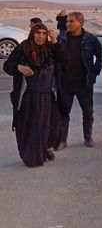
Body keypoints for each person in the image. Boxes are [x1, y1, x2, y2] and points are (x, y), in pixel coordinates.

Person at [3, 23, 64, 167]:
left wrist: (55, 41)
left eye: (44, 33)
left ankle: (44, 150)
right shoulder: (23, 48)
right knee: (30, 127)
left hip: (48, 95)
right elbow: (7, 66)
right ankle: (32, 156)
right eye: (38, 33)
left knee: (47, 126)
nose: (41, 36)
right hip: (28, 96)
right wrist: (19, 67)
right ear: (32, 33)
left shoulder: (50, 48)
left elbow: (63, 59)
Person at [55, 12, 102, 149]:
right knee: (63, 113)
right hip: (65, 82)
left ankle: (88, 138)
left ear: (80, 23)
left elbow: (100, 56)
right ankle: (62, 140)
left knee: (87, 112)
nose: (68, 24)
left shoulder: (91, 39)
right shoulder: (61, 38)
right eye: (67, 21)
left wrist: (94, 73)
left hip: (84, 83)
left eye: (71, 21)